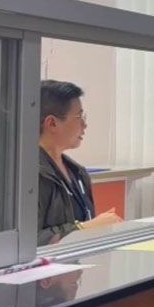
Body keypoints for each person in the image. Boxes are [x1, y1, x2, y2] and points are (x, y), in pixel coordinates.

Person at [38, 80, 121, 246]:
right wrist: (83, 228)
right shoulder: (29, 176)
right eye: (79, 117)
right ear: (52, 123)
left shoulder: (77, 172)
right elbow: (27, 241)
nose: (84, 125)